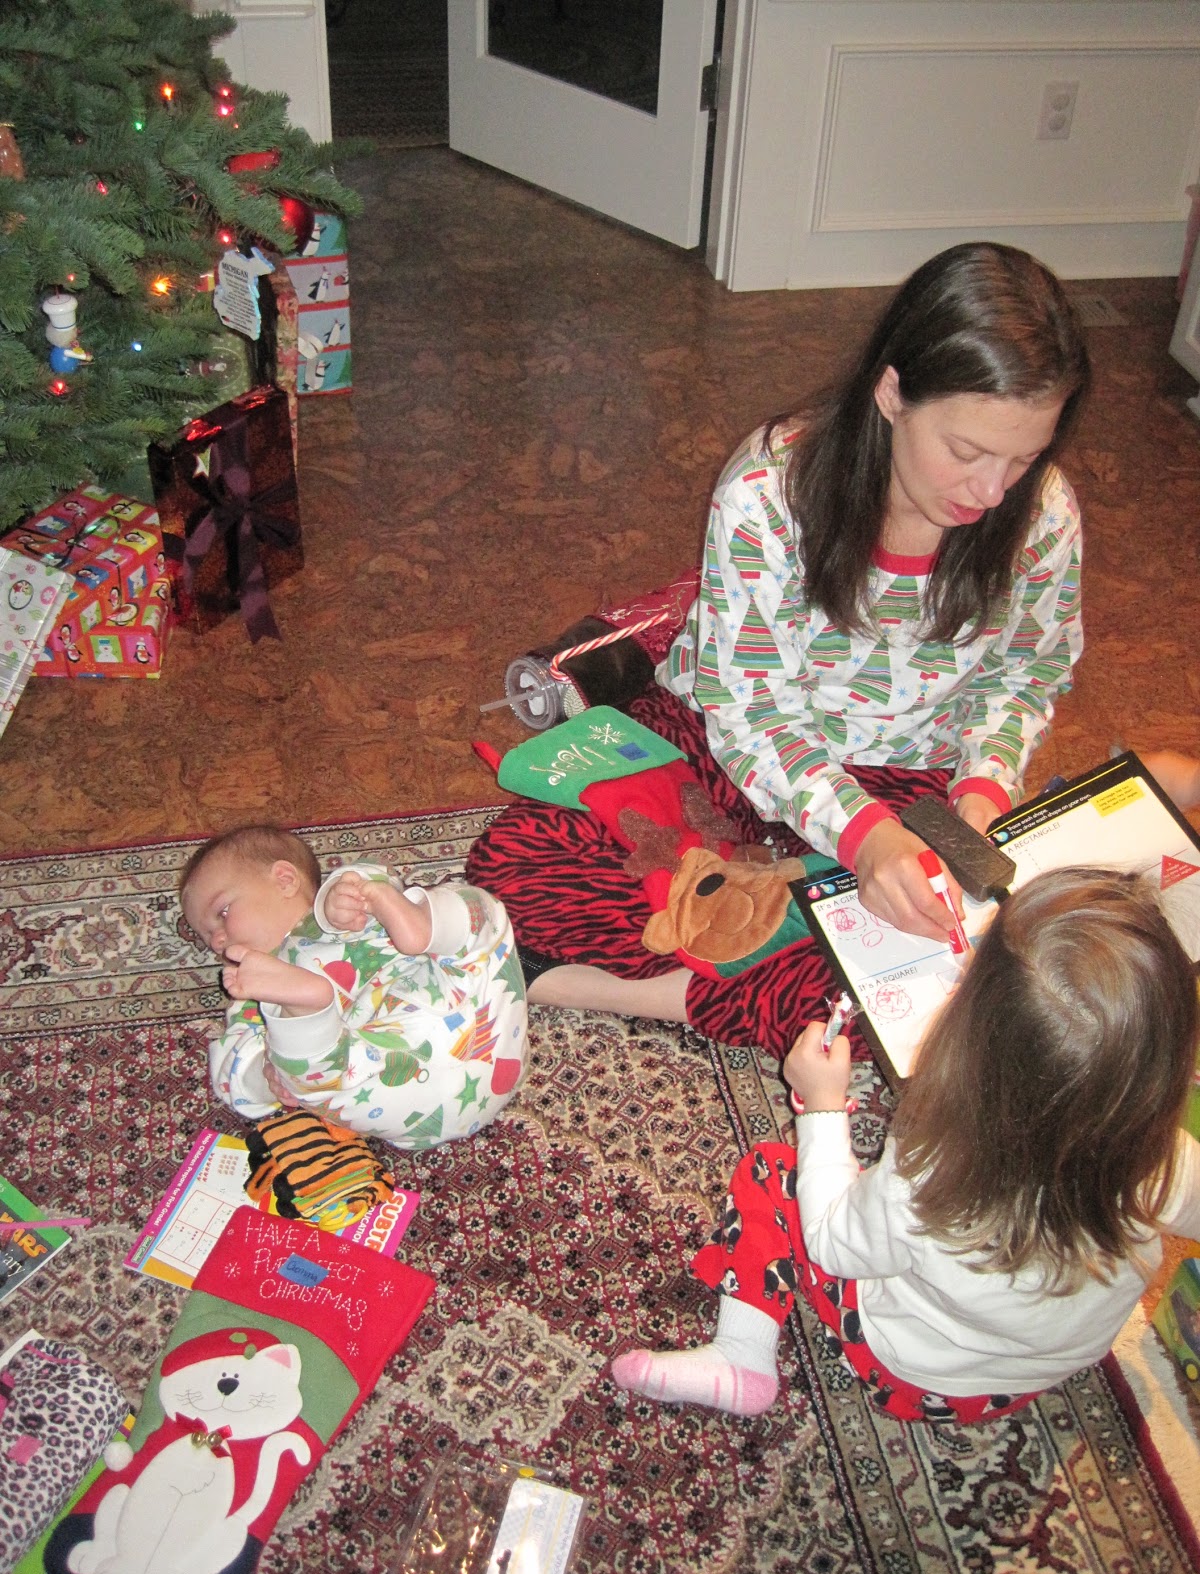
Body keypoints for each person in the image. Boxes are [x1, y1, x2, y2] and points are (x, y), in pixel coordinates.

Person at [467, 241, 1091, 1059]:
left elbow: (1025, 674)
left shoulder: (1042, 514)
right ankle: (746, 965)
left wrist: (981, 788)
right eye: (968, 452)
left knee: (944, 973)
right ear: (891, 393)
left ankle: (656, 979)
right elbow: (749, 711)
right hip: (734, 749)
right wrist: (860, 838)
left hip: (913, 776)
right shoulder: (769, 493)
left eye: (1025, 457)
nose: (992, 491)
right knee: (521, 863)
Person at [611, 866, 1200, 1423]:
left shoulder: (930, 1172)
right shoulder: (1166, 1159)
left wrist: (821, 1108)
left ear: (971, 1031)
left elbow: (833, 1244)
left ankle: (743, 1354)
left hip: (910, 1374)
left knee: (771, 1172)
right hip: (1027, 1379)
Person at [180, 824, 529, 1150]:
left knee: (481, 909)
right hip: (388, 1085)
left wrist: (348, 895)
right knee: (302, 1067)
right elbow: (230, 1075)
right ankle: (307, 1012)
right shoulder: (252, 993)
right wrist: (264, 1072)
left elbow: (376, 872)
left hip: (479, 1026)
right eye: (206, 937)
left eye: (222, 912)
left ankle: (421, 924)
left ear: (285, 880)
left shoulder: (347, 910)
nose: (218, 940)